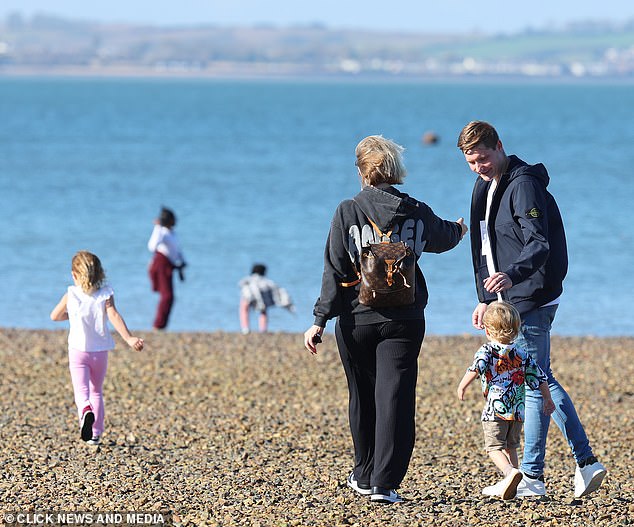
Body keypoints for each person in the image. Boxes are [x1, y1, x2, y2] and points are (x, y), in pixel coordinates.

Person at [303, 135, 467, 504]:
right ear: (396, 170)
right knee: (394, 397)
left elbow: (334, 269)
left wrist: (319, 320)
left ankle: (363, 473)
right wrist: (460, 229)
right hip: (404, 318)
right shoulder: (416, 210)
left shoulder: (347, 210)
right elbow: (443, 238)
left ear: (362, 172)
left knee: (362, 396)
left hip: (355, 318)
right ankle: (384, 483)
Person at [457, 120, 607, 498]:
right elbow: (484, 247)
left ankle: (536, 477)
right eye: (471, 161)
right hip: (510, 298)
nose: (479, 166)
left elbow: (538, 244)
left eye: (484, 158)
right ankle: (582, 465)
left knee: (536, 383)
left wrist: (511, 276)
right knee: (539, 378)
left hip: (533, 295)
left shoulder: (523, 185)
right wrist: (485, 298)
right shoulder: (484, 185)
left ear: (499, 146)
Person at [457, 301, 555, 499]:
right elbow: (539, 377)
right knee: (511, 446)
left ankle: (510, 473)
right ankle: (515, 485)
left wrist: (462, 385)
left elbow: (475, 368)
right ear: (516, 329)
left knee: (493, 447)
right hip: (517, 410)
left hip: (495, 410)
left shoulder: (487, 351)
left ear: (487, 330)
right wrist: (547, 398)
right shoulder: (522, 353)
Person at [50, 251, 144, 445]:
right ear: (100, 273)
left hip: (78, 351)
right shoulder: (105, 294)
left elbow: (55, 316)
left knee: (81, 392)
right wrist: (129, 338)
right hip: (99, 352)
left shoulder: (71, 294)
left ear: (74, 275)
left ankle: (85, 410)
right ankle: (95, 434)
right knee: (96, 391)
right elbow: (114, 317)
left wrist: (72, 316)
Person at [148, 207, 186, 330]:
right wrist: (158, 227)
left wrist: (183, 262)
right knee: (167, 296)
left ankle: (162, 325)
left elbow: (177, 250)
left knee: (169, 296)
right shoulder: (162, 232)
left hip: (170, 265)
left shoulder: (173, 233)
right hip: (161, 263)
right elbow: (152, 246)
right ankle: (158, 325)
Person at [238, 264, 294, 334]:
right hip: (261, 296)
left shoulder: (249, 279)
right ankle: (263, 329)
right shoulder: (266, 281)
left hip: (249, 296)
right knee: (263, 311)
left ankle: (245, 328)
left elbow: (241, 285)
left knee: (244, 309)